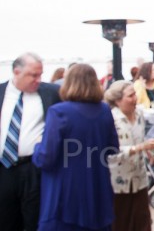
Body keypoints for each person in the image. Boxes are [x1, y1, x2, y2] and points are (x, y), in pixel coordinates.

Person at [32, 63, 119, 231]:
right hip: (97, 188)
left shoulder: (59, 112)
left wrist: (36, 147)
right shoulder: (104, 110)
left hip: (65, 191)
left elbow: (46, 158)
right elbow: (113, 148)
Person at [0, 53, 61, 231]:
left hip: (33, 169)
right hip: (4, 169)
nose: (38, 80)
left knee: (33, 219)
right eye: (33, 75)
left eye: (40, 75)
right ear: (16, 72)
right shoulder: (2, 93)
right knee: (5, 220)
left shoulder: (50, 94)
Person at [105, 81, 154, 231]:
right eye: (130, 95)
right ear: (118, 100)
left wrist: (148, 151)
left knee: (142, 221)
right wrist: (139, 148)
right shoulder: (110, 120)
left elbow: (141, 139)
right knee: (121, 222)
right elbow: (110, 152)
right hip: (118, 182)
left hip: (139, 178)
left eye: (135, 94)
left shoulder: (139, 115)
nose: (135, 98)